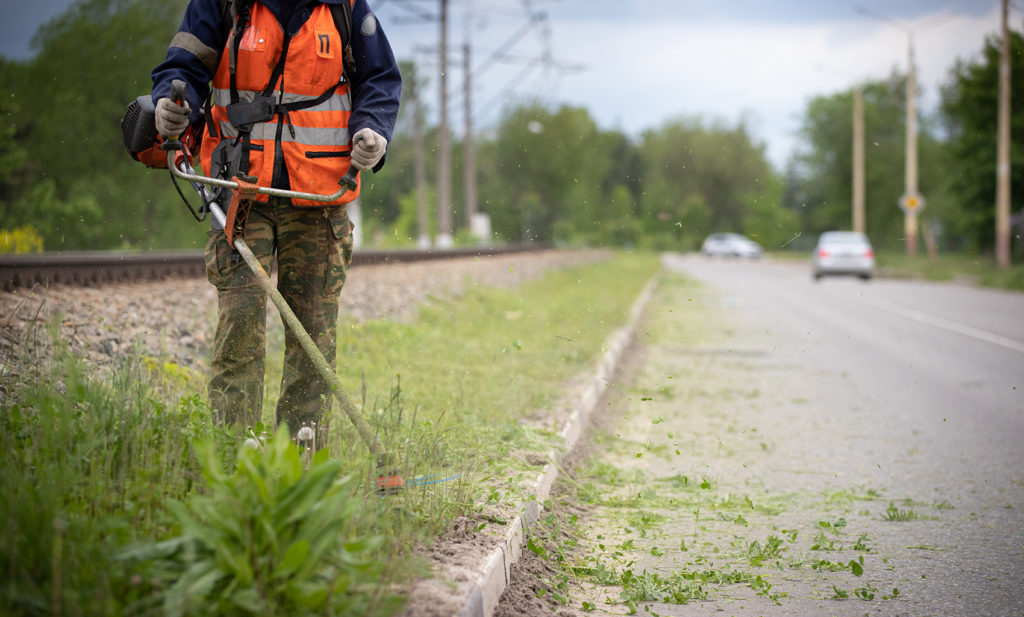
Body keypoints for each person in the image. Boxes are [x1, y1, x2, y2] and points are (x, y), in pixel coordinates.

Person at [150, 0, 401, 446]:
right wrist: (169, 105)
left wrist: (374, 129)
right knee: (240, 331)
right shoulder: (221, 3)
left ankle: (300, 461)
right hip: (240, 192)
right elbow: (181, 72)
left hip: (320, 196)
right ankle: (233, 455)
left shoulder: (344, 7)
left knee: (312, 338)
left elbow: (379, 79)